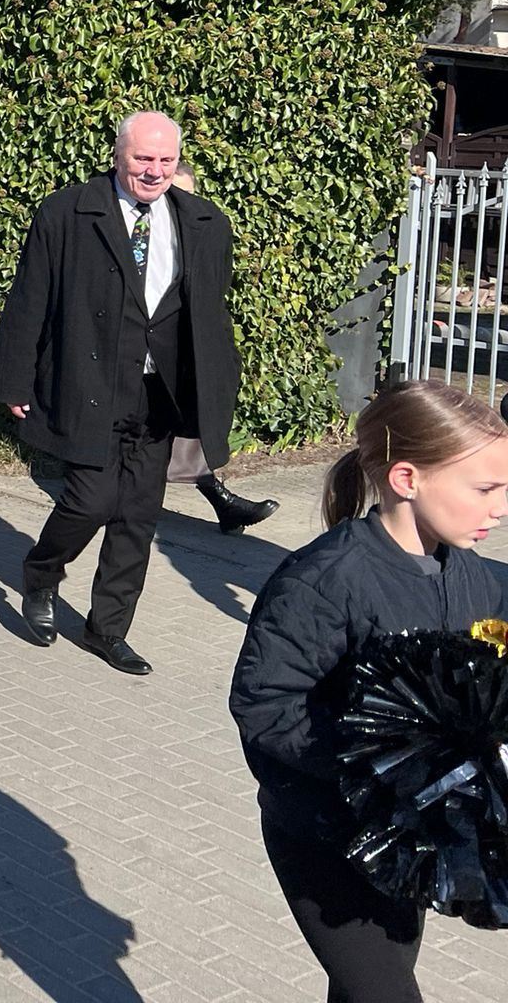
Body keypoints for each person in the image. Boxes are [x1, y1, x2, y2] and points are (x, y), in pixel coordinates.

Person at [230, 380, 508, 1003]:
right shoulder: (324, 581)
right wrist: (379, 765)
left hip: (414, 840)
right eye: (485, 489)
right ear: (408, 479)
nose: (501, 508)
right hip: (325, 835)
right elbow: (266, 703)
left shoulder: (473, 575)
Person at [0, 111, 240, 676]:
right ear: (117, 155)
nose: (154, 171)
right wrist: (14, 378)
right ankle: (41, 576)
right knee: (91, 500)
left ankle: (107, 629)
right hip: (89, 381)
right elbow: (29, 299)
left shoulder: (204, 222)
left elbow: (211, 314)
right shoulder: (67, 212)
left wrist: (218, 384)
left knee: (138, 515)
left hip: (160, 390)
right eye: (142, 158)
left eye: (166, 160)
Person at [164, 165, 278, 533]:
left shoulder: (207, 235)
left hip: (190, 348)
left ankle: (222, 502)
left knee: (188, 421)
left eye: (187, 196)